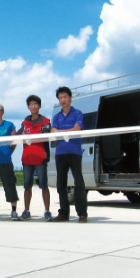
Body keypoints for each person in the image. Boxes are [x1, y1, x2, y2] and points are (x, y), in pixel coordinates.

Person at [51, 86, 88, 223]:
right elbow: (53, 131)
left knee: (79, 183)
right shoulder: (57, 116)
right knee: (61, 184)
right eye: (60, 98)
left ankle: (82, 214)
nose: (63, 100)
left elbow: (78, 128)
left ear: (70, 97)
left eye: (65, 97)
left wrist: (61, 131)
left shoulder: (77, 113)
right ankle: (64, 213)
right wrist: (65, 131)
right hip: (60, 152)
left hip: (74, 152)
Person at [17, 95, 53, 221]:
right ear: (28, 107)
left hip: (40, 157)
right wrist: (23, 134)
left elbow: (45, 135)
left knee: (43, 185)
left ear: (40, 106)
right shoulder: (25, 122)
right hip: (27, 158)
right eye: (31, 104)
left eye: (35, 104)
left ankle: (47, 211)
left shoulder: (45, 121)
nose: (33, 106)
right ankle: (26, 211)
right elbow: (18, 134)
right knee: (27, 186)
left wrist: (27, 135)